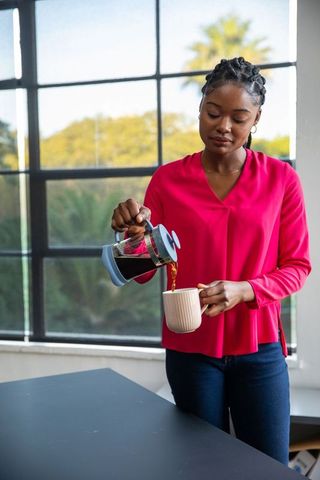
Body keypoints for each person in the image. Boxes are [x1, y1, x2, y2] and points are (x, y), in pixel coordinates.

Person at [111, 57, 311, 465]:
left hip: (261, 350)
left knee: (268, 467)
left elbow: (297, 267)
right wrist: (128, 237)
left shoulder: (281, 180)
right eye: (214, 113)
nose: (224, 127)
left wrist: (246, 289)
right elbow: (145, 271)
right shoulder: (168, 180)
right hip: (190, 350)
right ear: (200, 108)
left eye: (239, 118)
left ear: (256, 120)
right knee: (200, 468)